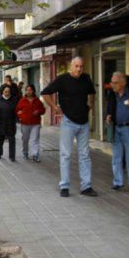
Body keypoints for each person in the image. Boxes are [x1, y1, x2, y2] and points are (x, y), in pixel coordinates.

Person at [41, 56, 98, 198]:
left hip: (83, 122)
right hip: (68, 122)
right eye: (76, 66)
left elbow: (92, 93)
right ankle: (64, 186)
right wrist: (54, 107)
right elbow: (45, 93)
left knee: (85, 155)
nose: (79, 69)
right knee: (65, 154)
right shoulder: (62, 79)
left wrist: (90, 105)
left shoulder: (86, 78)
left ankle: (86, 186)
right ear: (71, 67)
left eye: (81, 66)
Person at [16, 84, 45, 162]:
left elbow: (43, 110)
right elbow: (17, 110)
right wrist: (20, 114)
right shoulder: (22, 100)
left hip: (35, 123)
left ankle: (35, 155)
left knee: (34, 139)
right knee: (25, 139)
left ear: (33, 91)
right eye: (27, 90)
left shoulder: (37, 100)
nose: (29, 91)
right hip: (25, 123)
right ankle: (25, 152)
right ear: (25, 91)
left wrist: (38, 111)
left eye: (30, 90)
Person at [0, 84, 20, 161]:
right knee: (0, 140)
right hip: (0, 123)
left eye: (8, 91)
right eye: (5, 91)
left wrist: (18, 117)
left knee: (12, 140)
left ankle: (12, 156)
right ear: (2, 91)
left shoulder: (14, 100)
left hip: (11, 123)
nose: (7, 93)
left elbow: (18, 110)